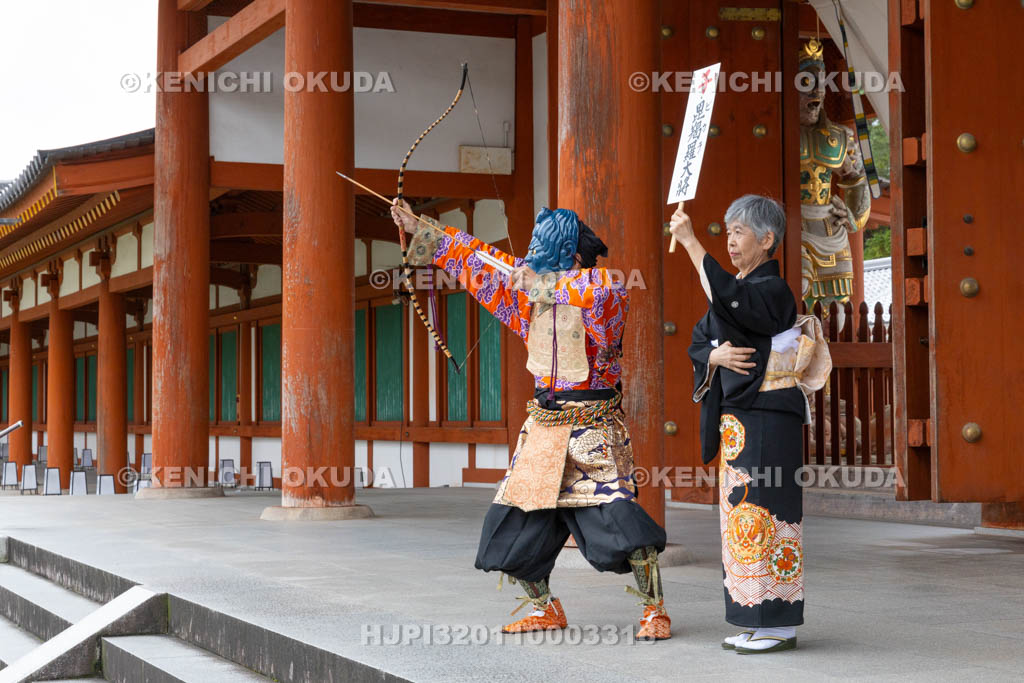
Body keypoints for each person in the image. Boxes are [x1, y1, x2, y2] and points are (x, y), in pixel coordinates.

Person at [391, 200, 671, 640]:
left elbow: (598, 295)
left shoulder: (604, 287)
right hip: (542, 427)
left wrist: (543, 286)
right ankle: (545, 607)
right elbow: (477, 259)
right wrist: (421, 229)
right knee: (511, 524)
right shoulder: (526, 294)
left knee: (620, 521)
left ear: (574, 258)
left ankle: (654, 610)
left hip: (591, 426)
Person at [668, 194, 830, 654]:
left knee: (767, 517)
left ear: (767, 239)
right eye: (727, 231)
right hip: (739, 422)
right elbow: (702, 338)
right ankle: (750, 617)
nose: (731, 241)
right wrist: (712, 355)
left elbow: (732, 300)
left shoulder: (772, 290)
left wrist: (692, 242)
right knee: (739, 516)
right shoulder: (737, 290)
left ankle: (777, 624)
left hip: (769, 416)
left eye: (738, 232)